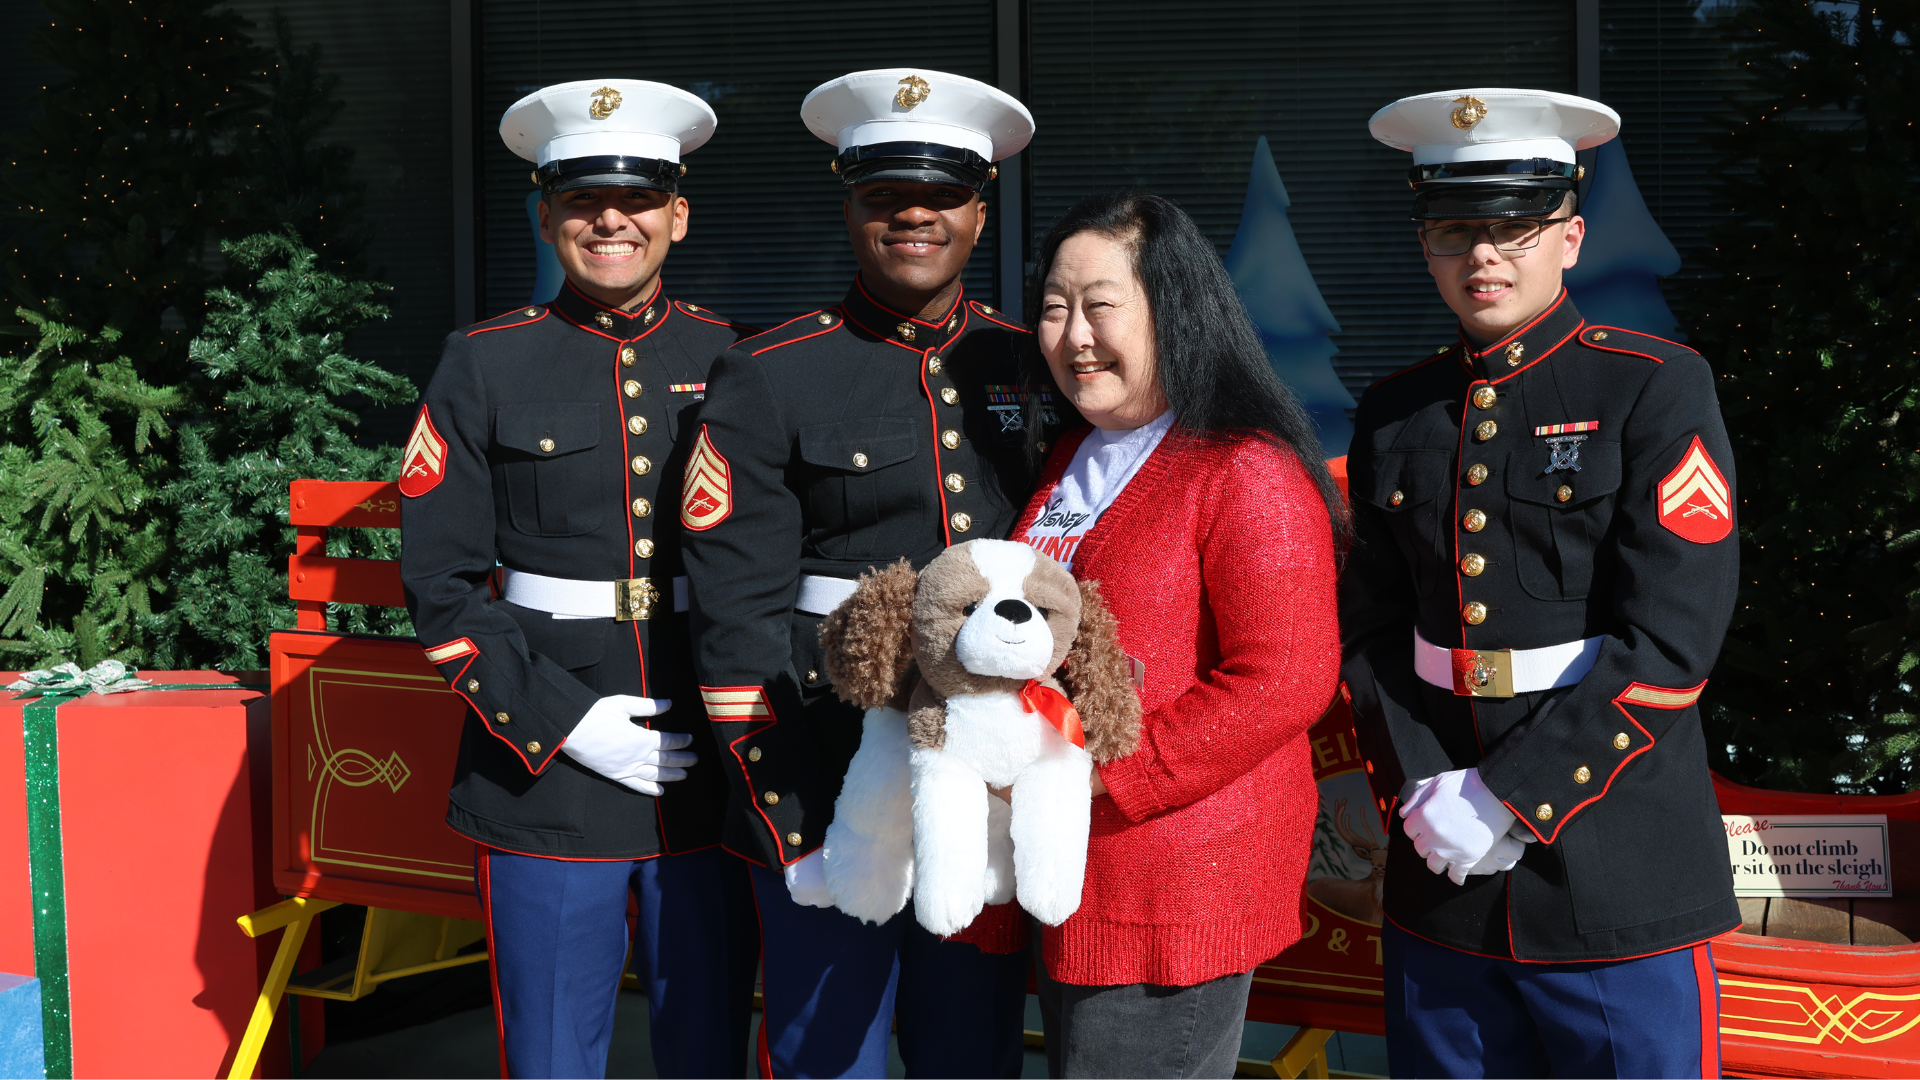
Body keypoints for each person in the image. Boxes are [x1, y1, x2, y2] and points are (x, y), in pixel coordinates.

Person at [1341, 88, 1740, 1078]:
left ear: (1570, 237)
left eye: (1515, 228)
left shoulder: (1649, 385)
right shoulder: (1394, 412)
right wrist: (1427, 787)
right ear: (1426, 244)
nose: (1484, 255)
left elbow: (1673, 639)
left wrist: (1510, 799)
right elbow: (1374, 631)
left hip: (1612, 869)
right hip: (1444, 871)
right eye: (1453, 229)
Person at [681, 69, 1057, 1079]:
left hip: (985, 784)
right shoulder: (770, 373)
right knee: (821, 1058)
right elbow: (736, 622)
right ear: (850, 204)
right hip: (827, 770)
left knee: (972, 1055)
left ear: (981, 209)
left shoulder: (1034, 365)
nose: (913, 216)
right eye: (883, 195)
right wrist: (791, 818)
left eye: (941, 194)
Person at [399, 79, 760, 1079]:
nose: (612, 219)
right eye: (582, 198)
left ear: (677, 215)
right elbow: (440, 580)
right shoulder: (482, 363)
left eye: (640, 197)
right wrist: (563, 722)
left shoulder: (735, 359)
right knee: (554, 1055)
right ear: (547, 213)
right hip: (544, 770)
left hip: (708, 761)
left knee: (708, 1048)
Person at [1009, 191, 1346, 1079]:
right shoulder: (1073, 457)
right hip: (1069, 870)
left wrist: (1106, 775)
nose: (1074, 335)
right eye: (1053, 307)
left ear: (1176, 309)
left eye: (1101, 305)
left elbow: (1287, 678)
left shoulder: (1245, 468)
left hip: (1170, 885)